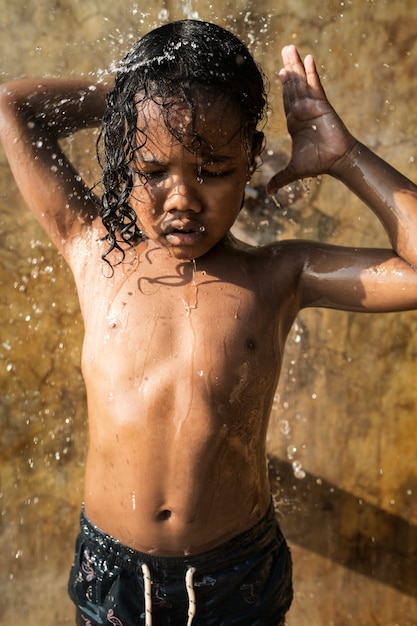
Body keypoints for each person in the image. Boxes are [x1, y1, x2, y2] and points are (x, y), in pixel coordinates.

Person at [1, 18, 417, 626]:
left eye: (214, 169)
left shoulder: (281, 275)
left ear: (251, 159)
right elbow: (12, 105)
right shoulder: (92, 248)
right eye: (152, 171)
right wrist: (135, 97)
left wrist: (343, 156)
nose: (182, 198)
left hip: (237, 576)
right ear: (124, 156)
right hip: (111, 573)